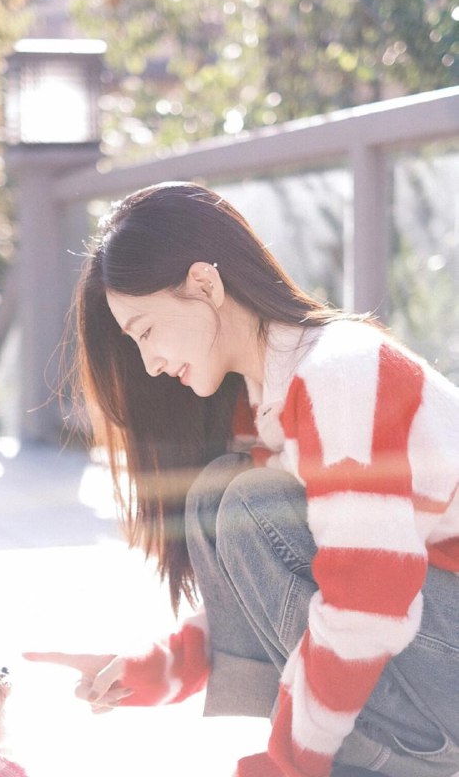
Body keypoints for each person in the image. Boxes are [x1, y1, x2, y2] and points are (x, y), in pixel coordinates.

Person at [24, 182, 459, 777]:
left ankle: (389, 758)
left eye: (146, 331)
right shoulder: (265, 401)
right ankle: (352, 749)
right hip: (434, 641)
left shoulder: (341, 372)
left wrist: (288, 764)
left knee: (251, 504)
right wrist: (155, 668)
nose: (150, 363)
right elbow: (292, 590)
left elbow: (367, 600)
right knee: (221, 495)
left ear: (205, 284)